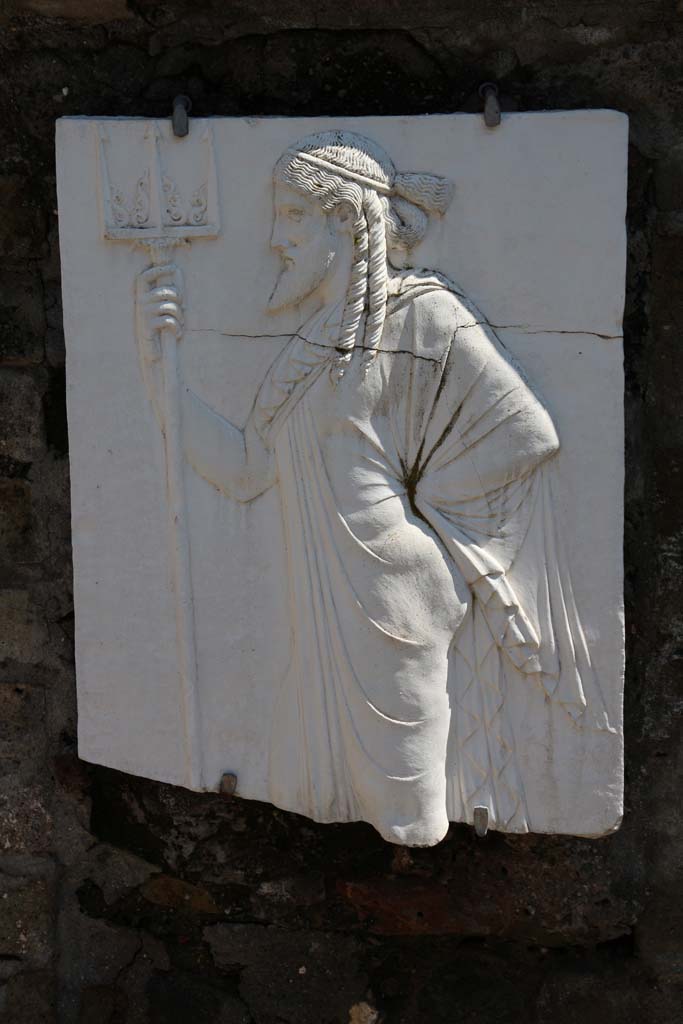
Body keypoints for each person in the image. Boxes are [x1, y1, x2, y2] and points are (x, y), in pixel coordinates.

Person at [136, 130, 609, 846]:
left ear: (346, 221)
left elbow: (526, 433)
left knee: (410, 818)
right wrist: (157, 374)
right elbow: (243, 468)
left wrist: (429, 518)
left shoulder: (423, 314)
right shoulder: (312, 343)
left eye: (292, 216)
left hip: (394, 603)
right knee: (312, 796)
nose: (275, 239)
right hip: (317, 612)